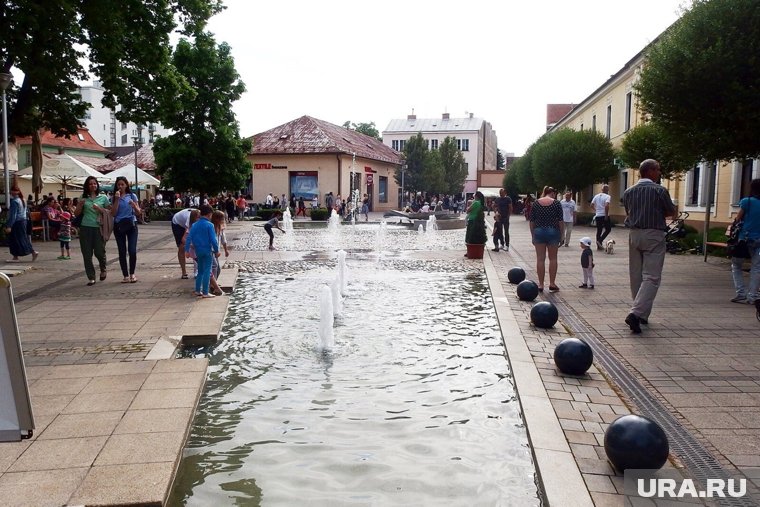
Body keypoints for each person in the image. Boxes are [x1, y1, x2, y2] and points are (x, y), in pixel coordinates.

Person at [622, 159, 676, 334]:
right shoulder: (660, 191)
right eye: (658, 170)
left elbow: (628, 212)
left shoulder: (629, 192)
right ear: (650, 171)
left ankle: (641, 313)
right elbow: (670, 212)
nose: (659, 173)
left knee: (636, 274)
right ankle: (637, 313)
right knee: (652, 277)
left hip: (634, 234)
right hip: (654, 234)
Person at [74, 176, 110, 286]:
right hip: (85, 228)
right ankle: (91, 276)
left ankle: (103, 268)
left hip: (98, 228)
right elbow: (76, 214)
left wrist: (100, 209)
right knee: (87, 254)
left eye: (94, 183)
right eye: (90, 184)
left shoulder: (103, 198)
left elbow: (110, 212)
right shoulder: (83, 198)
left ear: (97, 185)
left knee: (99, 252)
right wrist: (79, 206)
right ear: (87, 186)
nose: (93, 185)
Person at [730, 178, 760, 304]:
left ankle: (741, 293)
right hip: (759, 239)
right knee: (756, 268)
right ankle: (752, 296)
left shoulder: (746, 201)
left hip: (744, 239)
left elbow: (738, 218)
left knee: (736, 265)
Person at [529, 186, 563, 292]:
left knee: (540, 259)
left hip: (539, 231)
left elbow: (532, 221)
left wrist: (533, 235)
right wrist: (562, 235)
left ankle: (540, 284)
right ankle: (552, 283)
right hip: (553, 231)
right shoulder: (557, 203)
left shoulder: (536, 203)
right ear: (552, 193)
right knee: (553, 258)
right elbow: (560, 221)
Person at [111, 176, 141, 283]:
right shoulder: (114, 197)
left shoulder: (132, 196)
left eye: (122, 184)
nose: (120, 186)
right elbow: (113, 213)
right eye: (118, 185)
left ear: (126, 185)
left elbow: (138, 212)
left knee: (132, 250)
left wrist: (134, 205)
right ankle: (125, 275)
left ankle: (132, 273)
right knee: (122, 251)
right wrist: (117, 199)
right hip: (119, 225)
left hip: (131, 224)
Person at [185, 205, 219, 298]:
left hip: (198, 250)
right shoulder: (210, 225)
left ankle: (197, 290)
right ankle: (205, 292)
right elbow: (213, 240)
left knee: (200, 271)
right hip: (207, 250)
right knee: (207, 271)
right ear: (209, 214)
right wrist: (217, 250)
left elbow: (188, 238)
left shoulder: (195, 225)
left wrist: (187, 251)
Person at [4, 187, 38, 262]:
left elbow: (13, 215)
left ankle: (16, 257)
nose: (11, 193)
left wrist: (9, 226)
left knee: (14, 240)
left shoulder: (14, 202)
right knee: (23, 238)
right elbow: (26, 212)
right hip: (23, 221)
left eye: (12, 191)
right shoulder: (23, 200)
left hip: (17, 223)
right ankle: (32, 252)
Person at [171, 207, 198, 279]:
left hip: (187, 222)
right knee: (182, 247)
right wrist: (191, 246)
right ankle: (184, 272)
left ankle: (197, 270)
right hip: (177, 224)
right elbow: (184, 239)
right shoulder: (189, 219)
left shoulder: (202, 218)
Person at [591, 184, 612, 250]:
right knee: (608, 229)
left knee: (599, 230)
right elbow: (606, 206)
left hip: (598, 215)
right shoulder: (607, 196)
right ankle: (600, 240)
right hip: (604, 215)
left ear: (602, 189)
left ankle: (598, 246)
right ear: (607, 190)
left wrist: (596, 210)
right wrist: (606, 215)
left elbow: (591, 205)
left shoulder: (596, 196)